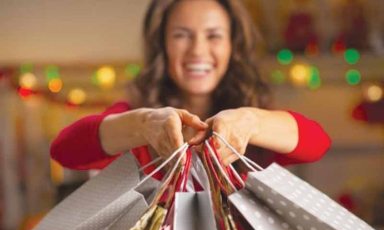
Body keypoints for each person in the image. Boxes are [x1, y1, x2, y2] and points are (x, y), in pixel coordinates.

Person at [50, 0, 331, 175]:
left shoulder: (253, 116)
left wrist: (251, 122)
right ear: (163, 45)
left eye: (214, 36)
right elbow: (65, 150)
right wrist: (144, 124)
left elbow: (317, 143)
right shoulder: (133, 114)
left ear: (233, 46)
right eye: (181, 35)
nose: (198, 50)